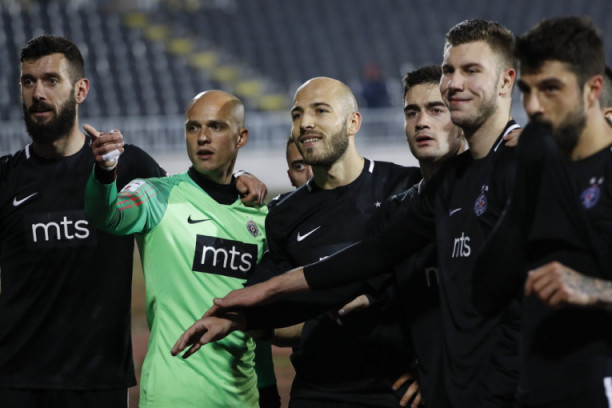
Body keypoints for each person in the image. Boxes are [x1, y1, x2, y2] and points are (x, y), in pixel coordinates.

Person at [175, 20, 523, 408]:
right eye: (449, 71)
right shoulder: (434, 192)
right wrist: (251, 306)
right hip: (409, 391)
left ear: (506, 81)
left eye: (471, 70)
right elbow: (365, 259)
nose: (454, 83)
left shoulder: (526, 162)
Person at [0, 35, 267, 408]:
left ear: (80, 90)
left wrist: (237, 179)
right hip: (16, 379)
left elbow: (190, 190)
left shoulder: (130, 165)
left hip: (101, 381)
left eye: (51, 80)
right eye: (28, 81)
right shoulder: (7, 177)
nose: (38, 92)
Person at [186, 77, 423, 408]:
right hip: (316, 391)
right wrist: (238, 318)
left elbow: (440, 284)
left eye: (320, 110)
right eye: (297, 114)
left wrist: (432, 367)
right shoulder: (283, 215)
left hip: (395, 392)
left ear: (353, 123)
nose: (305, 122)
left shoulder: (406, 186)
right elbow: (271, 306)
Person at [84, 90, 272, 407]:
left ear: (241, 137)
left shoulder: (261, 217)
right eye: (193, 127)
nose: (202, 137)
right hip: (171, 396)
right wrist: (104, 173)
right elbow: (106, 215)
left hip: (243, 399)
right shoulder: (155, 195)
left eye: (216, 126)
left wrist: (268, 391)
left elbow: (258, 319)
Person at [474, 16, 612, 407]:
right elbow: (485, 295)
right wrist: (529, 184)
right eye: (527, 90)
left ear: (592, 90)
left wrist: (595, 290)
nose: (533, 107)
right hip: (538, 392)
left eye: (551, 88)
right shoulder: (538, 166)